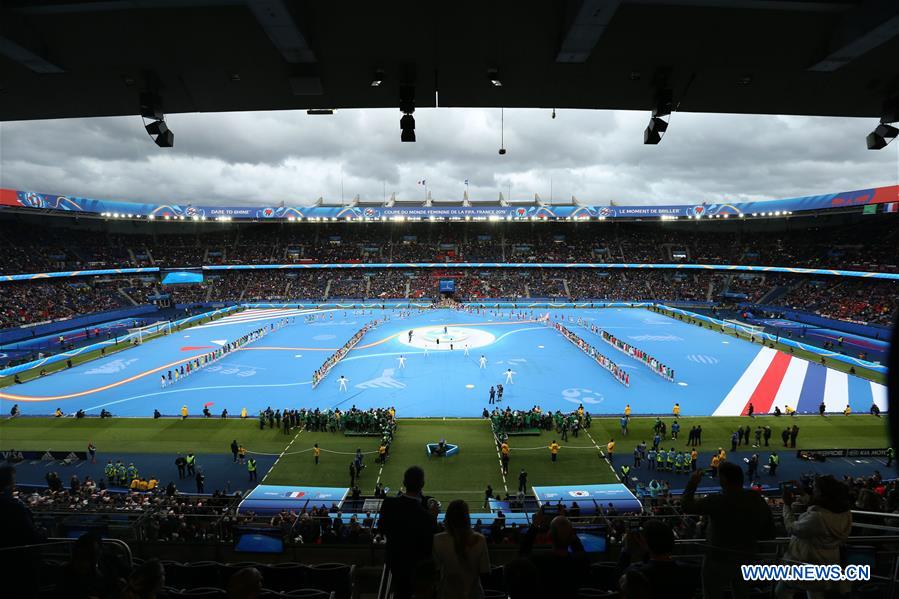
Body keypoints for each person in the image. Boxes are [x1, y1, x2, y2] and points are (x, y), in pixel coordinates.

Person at [681, 462, 775, 599]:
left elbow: (687, 506)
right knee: (742, 593)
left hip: (718, 558)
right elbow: (769, 531)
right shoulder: (756, 498)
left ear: (724, 480)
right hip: (746, 556)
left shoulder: (718, 500)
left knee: (712, 593)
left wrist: (692, 483)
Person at [775, 476, 852, 599]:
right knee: (815, 591)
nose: (813, 490)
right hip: (826, 562)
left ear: (821, 493)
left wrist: (787, 506)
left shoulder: (817, 518)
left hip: (805, 562)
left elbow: (791, 528)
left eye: (815, 488)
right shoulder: (844, 513)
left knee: (782, 592)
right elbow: (822, 506)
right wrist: (803, 493)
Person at [379, 466, 438, 599]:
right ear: (422, 484)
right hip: (417, 568)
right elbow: (430, 542)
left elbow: (382, 529)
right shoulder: (426, 516)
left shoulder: (388, 504)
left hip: (394, 563)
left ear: (404, 483)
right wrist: (432, 518)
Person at [621, 520, 700, 599]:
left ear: (645, 543)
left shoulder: (635, 573)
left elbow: (616, 586)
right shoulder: (691, 570)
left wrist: (627, 551)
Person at [519, 511, 587, 597]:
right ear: (571, 536)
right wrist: (565, 523)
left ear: (549, 536)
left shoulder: (538, 561)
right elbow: (579, 549)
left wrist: (535, 525)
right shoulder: (580, 562)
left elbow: (522, 555)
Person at [432, 499, 490, 599]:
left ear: (448, 517)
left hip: (447, 594)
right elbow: (485, 572)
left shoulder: (438, 540)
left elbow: (435, 572)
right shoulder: (479, 539)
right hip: (474, 594)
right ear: (466, 517)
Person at [0, 465, 43, 598]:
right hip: (20, 564)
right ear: (9, 483)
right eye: (13, 481)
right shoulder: (15, 506)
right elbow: (32, 536)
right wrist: (43, 534)